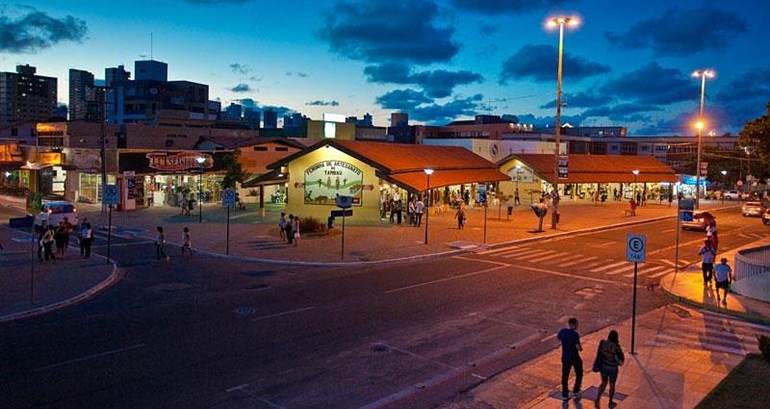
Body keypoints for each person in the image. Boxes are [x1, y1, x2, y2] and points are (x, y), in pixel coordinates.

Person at [594, 330, 625, 409]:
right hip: (613, 368)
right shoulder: (616, 347)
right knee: (612, 384)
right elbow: (622, 359)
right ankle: (610, 401)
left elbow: (599, 354)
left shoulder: (603, 343)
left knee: (603, 382)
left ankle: (598, 398)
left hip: (604, 366)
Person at [558, 317, 583, 401]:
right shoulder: (574, 334)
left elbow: (559, 338)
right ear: (573, 324)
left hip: (565, 356)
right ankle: (576, 390)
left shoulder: (562, 331)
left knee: (565, 375)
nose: (577, 326)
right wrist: (580, 348)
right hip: (574, 357)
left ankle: (564, 394)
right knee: (579, 373)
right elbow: (578, 347)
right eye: (577, 324)